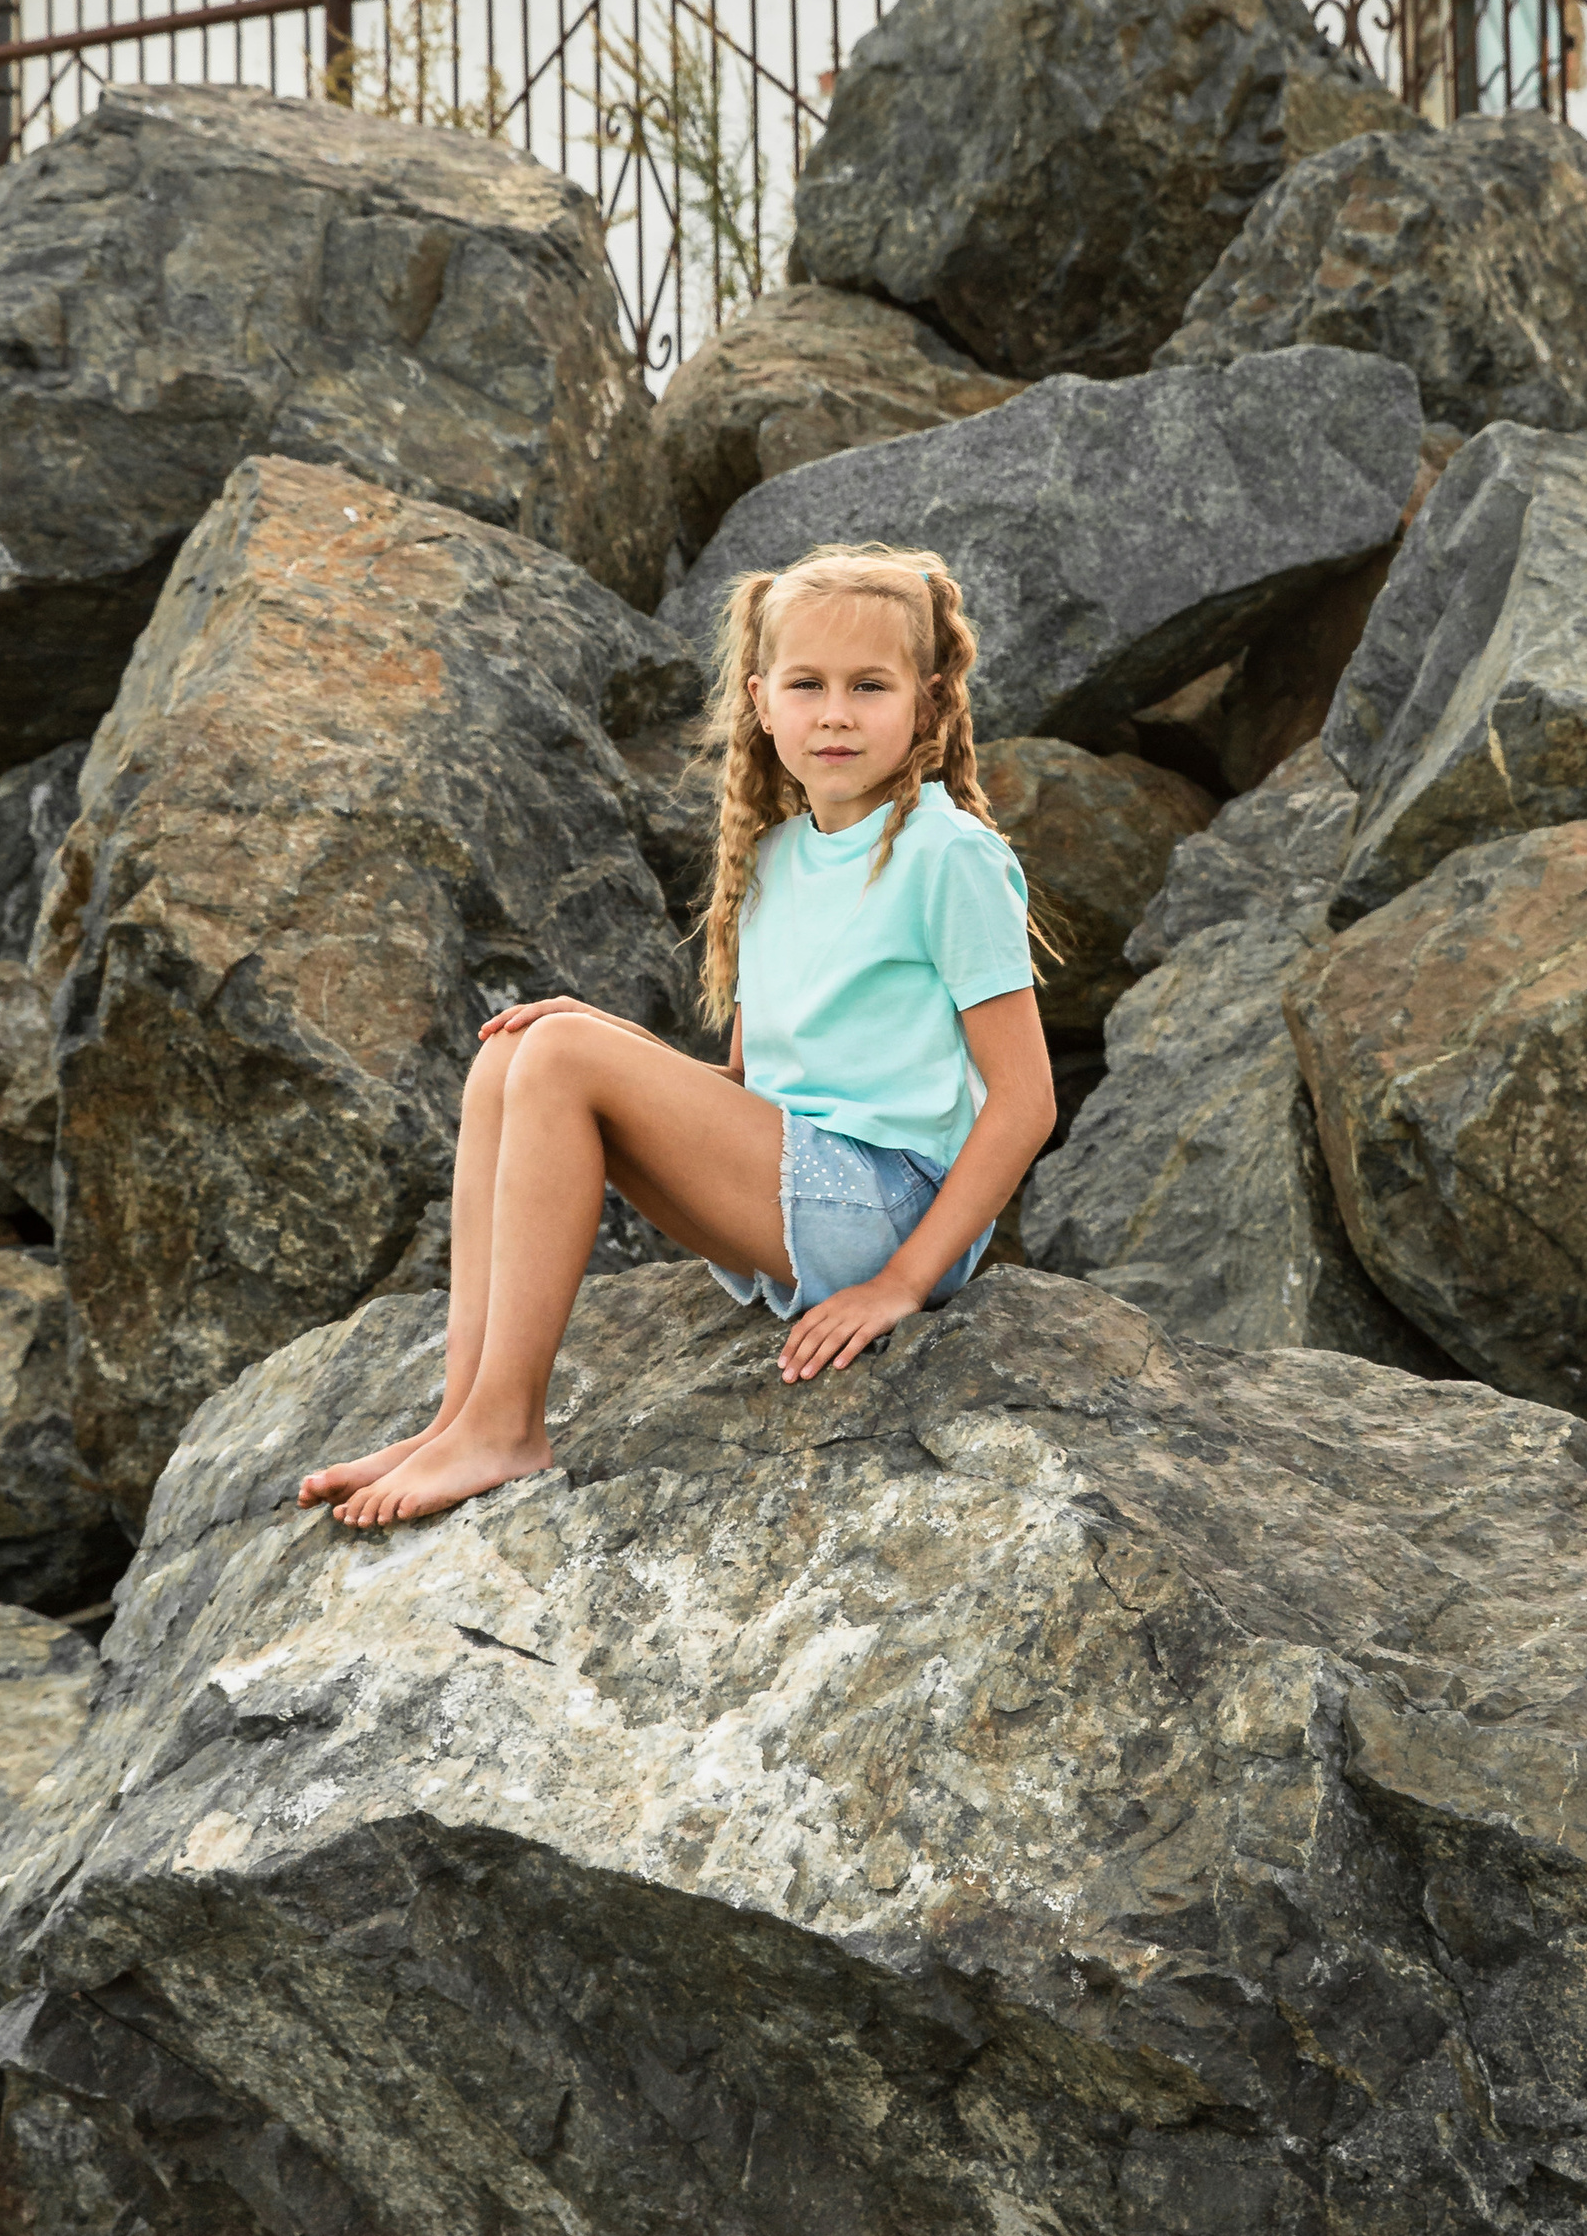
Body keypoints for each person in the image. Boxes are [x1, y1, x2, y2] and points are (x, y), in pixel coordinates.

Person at [301, 544, 1059, 1530]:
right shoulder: (775, 856)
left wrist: (899, 1285)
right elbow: (746, 1081)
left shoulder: (948, 854)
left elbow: (1027, 1100)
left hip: (887, 1206)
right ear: (760, 698)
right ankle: (460, 1415)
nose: (835, 712)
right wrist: (602, 1032)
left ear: (927, 698)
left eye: (869, 685)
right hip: (798, 1175)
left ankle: (507, 1428)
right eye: (807, 684)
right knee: (511, 1052)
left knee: (561, 1054)